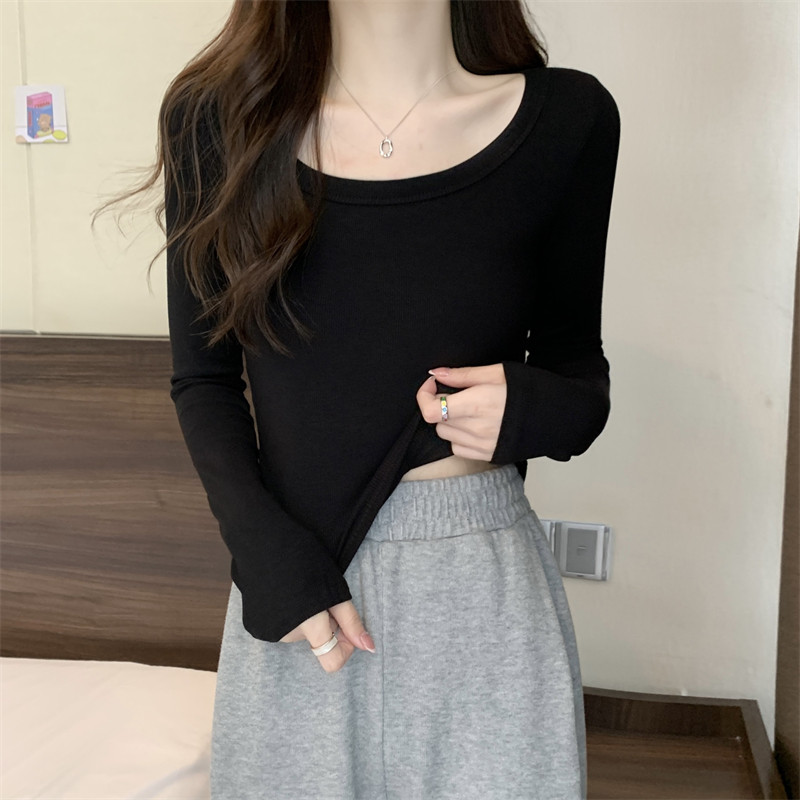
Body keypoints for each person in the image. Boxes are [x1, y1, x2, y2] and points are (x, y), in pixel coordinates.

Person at [159, 1, 621, 798]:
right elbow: (203, 378)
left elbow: (579, 374)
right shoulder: (215, 121)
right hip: (300, 594)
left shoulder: (567, 121)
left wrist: (527, 408)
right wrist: (265, 554)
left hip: (481, 598)